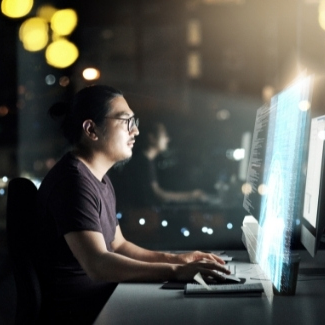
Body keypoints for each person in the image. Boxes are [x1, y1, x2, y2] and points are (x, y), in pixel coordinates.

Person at [35, 85, 229, 324]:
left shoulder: (99, 179)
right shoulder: (72, 182)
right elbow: (98, 264)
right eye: (126, 120)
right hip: (82, 314)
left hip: (103, 301)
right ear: (91, 129)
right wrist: (176, 272)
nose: (136, 130)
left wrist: (178, 259)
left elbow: (119, 246)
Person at [115, 120, 208, 209]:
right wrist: (191, 196)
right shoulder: (142, 162)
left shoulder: (147, 160)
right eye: (164, 135)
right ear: (151, 138)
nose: (167, 139)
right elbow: (158, 194)